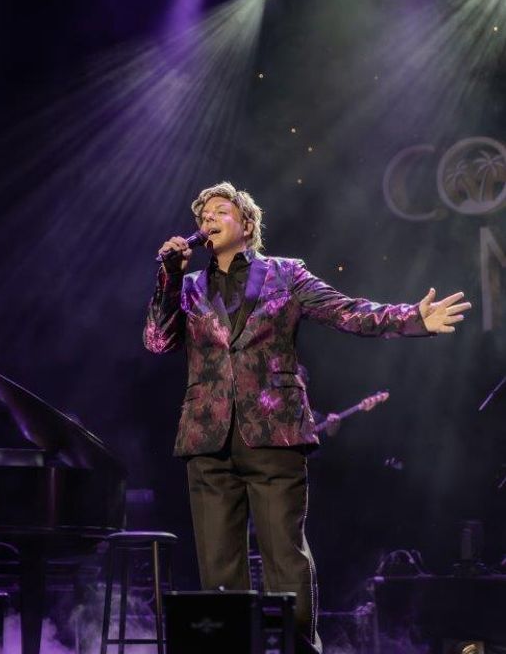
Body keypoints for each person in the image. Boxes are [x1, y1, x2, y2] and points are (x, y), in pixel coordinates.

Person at [143, 181, 470, 653]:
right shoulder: (188, 287)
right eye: (202, 217)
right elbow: (157, 341)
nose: (207, 221)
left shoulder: (286, 274)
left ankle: (300, 649)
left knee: (286, 559)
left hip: (275, 434)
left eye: (219, 211)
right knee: (218, 565)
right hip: (206, 437)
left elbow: (348, 312)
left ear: (248, 224)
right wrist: (169, 277)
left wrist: (413, 318)